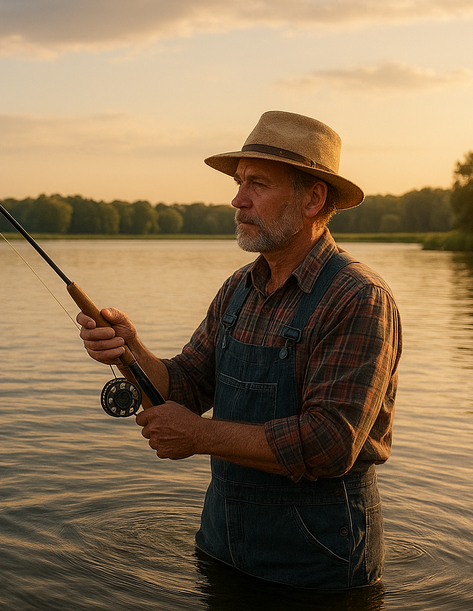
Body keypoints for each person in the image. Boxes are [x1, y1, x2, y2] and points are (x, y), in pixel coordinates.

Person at [77, 110, 401, 590]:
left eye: (258, 184)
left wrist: (200, 436)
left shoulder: (358, 298)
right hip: (221, 547)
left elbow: (331, 443)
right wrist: (132, 352)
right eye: (239, 182)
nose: (238, 199)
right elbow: (186, 386)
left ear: (313, 198)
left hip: (318, 569)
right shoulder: (238, 289)